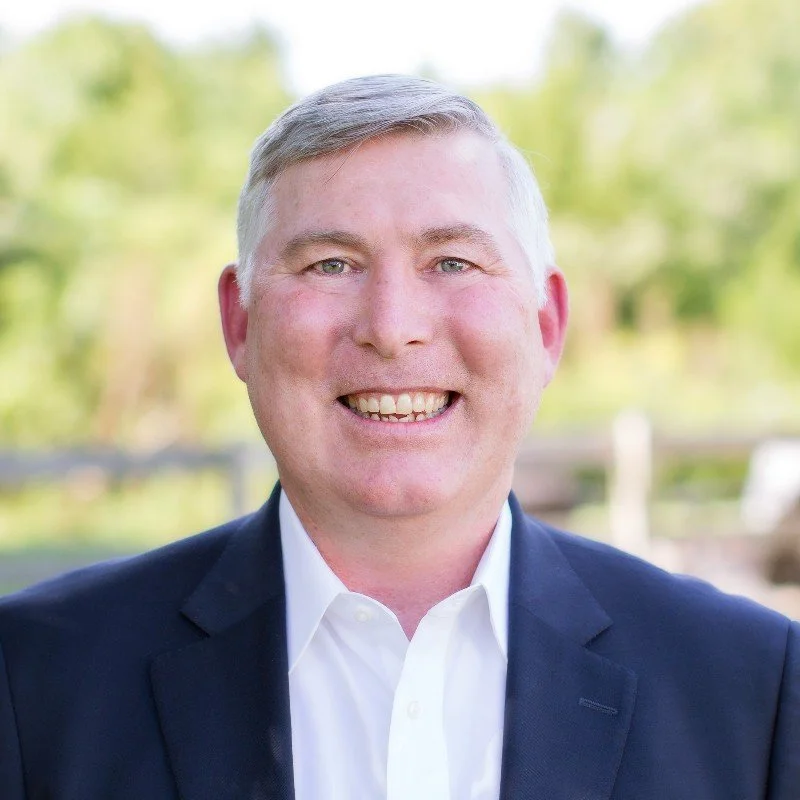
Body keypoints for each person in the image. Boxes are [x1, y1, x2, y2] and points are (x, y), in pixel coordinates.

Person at [0, 74, 797, 800]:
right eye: (330, 265)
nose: (391, 328)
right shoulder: (34, 681)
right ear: (240, 324)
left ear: (546, 325)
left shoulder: (753, 690)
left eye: (451, 262)